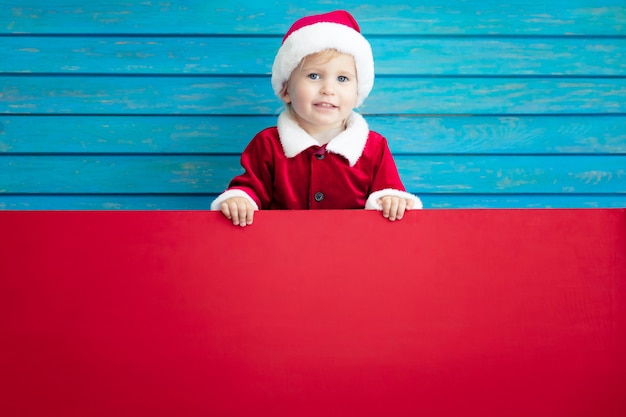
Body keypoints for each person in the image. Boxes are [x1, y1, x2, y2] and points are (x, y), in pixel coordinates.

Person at [211, 10, 422, 226]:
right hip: (282, 252)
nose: (328, 89)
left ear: (357, 93)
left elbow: (390, 194)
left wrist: (391, 200)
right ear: (285, 90)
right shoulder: (268, 144)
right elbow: (250, 189)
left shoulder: (374, 147)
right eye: (314, 76)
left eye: (342, 78)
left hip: (353, 253)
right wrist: (240, 199)